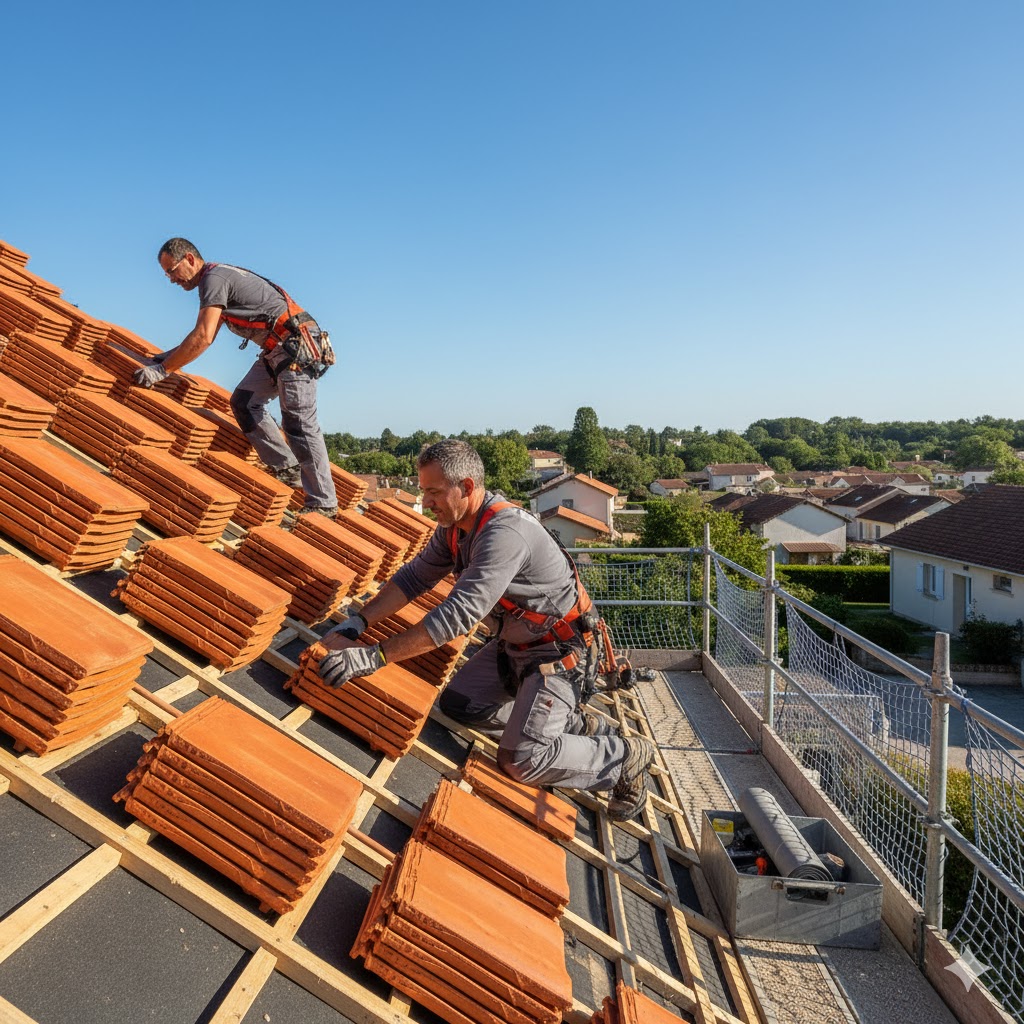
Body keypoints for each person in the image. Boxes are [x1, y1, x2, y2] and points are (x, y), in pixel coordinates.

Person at [315, 438, 655, 821]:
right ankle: (575, 726)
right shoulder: (455, 528)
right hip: (516, 647)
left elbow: (458, 615)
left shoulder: (503, 534)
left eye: (434, 492)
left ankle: (624, 758)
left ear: (467, 487)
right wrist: (360, 621)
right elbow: (414, 579)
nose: (426, 501)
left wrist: (375, 656)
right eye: (424, 491)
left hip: (560, 655)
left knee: (521, 759)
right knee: (461, 704)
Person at [135, 238, 338, 517]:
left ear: (190, 259)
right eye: (167, 274)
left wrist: (162, 370)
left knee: (298, 423)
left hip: (295, 348)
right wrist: (163, 358)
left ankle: (323, 503)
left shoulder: (214, 279)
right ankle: (287, 468)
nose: (171, 279)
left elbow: (203, 337)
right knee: (244, 403)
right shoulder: (216, 282)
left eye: (172, 271)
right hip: (277, 350)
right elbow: (201, 334)